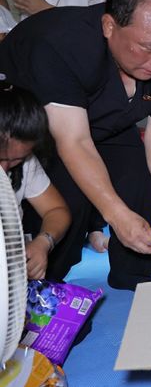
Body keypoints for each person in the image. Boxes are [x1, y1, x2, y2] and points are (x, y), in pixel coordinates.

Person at [0, 0, 151, 291]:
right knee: (70, 196)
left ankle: (131, 271)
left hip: (106, 117)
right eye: (149, 47)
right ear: (109, 27)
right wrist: (115, 216)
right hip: (42, 121)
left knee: (138, 179)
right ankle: (43, 285)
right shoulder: (63, 44)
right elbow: (74, 141)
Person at [0, 85, 70, 280]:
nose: (5, 169)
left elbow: (56, 210)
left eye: (16, 160)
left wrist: (43, 242)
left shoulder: (26, 162)